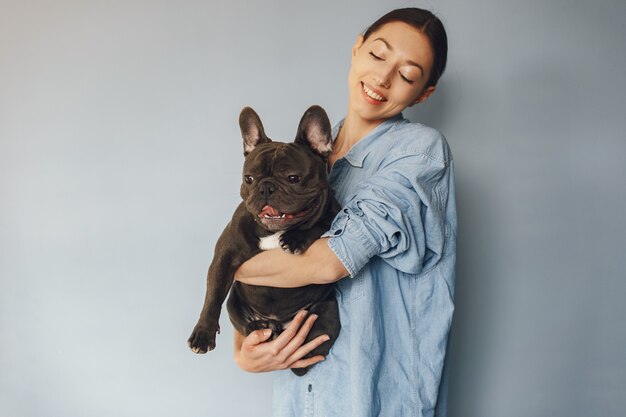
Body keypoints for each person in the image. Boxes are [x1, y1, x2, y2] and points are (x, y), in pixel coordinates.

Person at [234, 7, 456, 417]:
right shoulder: (301, 160)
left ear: (423, 93)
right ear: (356, 50)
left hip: (377, 399)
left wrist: (224, 265)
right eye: (377, 55)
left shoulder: (419, 152)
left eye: (407, 75)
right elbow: (254, 250)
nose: (383, 78)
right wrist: (243, 349)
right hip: (301, 400)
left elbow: (326, 263)